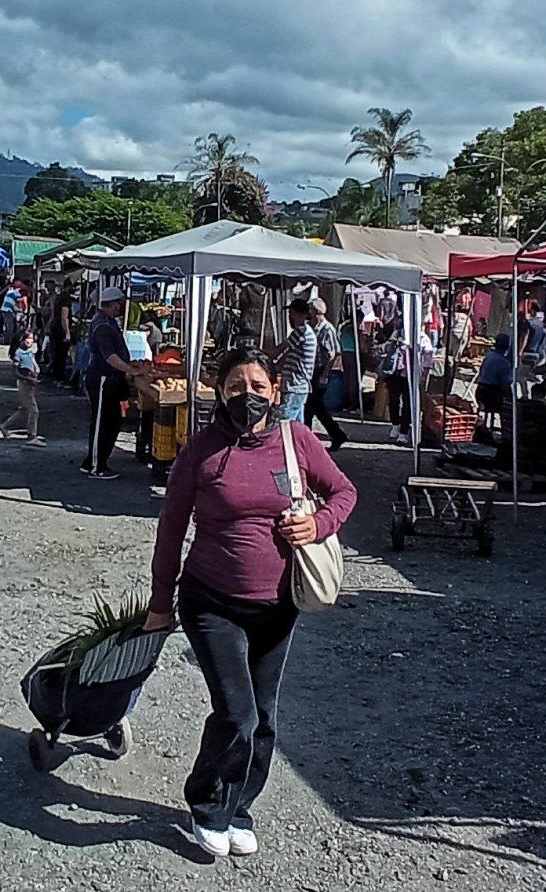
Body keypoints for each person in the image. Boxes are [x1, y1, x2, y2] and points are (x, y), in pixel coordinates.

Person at [143, 347, 359, 860]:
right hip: (210, 601)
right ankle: (207, 803)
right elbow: (171, 528)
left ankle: (239, 807)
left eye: (258, 387)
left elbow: (343, 491)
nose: (248, 397)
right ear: (219, 390)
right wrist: (160, 599)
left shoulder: (298, 440)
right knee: (236, 713)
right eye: (236, 387)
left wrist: (318, 524)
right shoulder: (201, 450)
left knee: (264, 717)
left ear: (276, 390)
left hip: (277, 606)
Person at [81, 287, 151, 479]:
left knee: (111, 421)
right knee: (102, 423)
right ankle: (96, 466)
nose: (121, 306)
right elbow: (109, 356)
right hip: (104, 378)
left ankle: (94, 462)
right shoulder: (103, 325)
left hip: (111, 378)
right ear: (112, 303)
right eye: (119, 302)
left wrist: (130, 364)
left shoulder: (108, 322)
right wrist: (130, 369)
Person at [300, 298, 349, 451]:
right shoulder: (311, 328)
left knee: (311, 407)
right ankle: (336, 434)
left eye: (310, 310)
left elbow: (332, 354)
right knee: (315, 407)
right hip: (311, 371)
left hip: (320, 371)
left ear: (317, 312)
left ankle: (307, 439)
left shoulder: (326, 329)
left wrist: (325, 375)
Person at [270, 299, 321, 426]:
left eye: (292, 313)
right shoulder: (306, 332)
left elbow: (278, 351)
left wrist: (258, 352)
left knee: (284, 422)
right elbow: (287, 355)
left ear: (297, 314)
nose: (290, 317)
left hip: (295, 385)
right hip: (298, 385)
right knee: (297, 424)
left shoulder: (300, 332)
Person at [1, 325, 44, 446]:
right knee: (34, 411)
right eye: (28, 338)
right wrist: (28, 378)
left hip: (31, 383)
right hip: (25, 384)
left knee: (25, 409)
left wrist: (36, 370)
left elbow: (33, 363)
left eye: (32, 338)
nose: (30, 341)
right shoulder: (18, 354)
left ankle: (5, 426)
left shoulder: (30, 352)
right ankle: (32, 435)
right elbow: (15, 372)